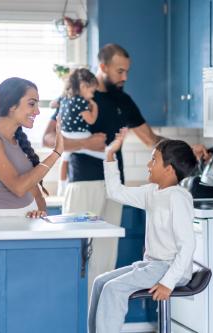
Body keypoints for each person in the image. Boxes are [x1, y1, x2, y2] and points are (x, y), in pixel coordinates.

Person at [42, 44, 208, 293]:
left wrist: (185, 149)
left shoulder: (123, 100)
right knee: (78, 259)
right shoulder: (79, 93)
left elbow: (151, 139)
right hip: (84, 183)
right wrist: (87, 143)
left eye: (127, 71)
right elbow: (47, 139)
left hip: (113, 186)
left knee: (105, 260)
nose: (125, 77)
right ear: (103, 67)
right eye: (120, 71)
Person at [88, 130, 197, 333]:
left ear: (169, 170)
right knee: (100, 282)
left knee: (113, 288)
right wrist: (110, 155)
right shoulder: (152, 192)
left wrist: (168, 283)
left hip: (170, 268)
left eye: (153, 160)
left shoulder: (177, 198)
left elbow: (188, 244)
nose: (148, 165)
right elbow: (115, 192)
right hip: (152, 265)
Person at [0, 77, 64, 218]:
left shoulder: (18, 142)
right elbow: (19, 187)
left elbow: (36, 194)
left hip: (25, 225)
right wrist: (56, 153)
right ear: (11, 105)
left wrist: (40, 213)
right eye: (32, 104)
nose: (37, 111)